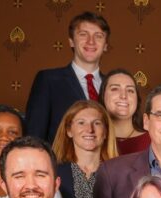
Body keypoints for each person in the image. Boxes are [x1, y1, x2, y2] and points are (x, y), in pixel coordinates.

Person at [25, 12, 110, 142]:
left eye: (98, 36)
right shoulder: (48, 80)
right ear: (71, 41)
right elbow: (34, 135)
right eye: (83, 34)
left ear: (105, 45)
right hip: (59, 162)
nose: (91, 41)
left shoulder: (112, 87)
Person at [52, 100, 117, 198]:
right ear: (69, 130)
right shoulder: (53, 174)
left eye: (97, 123)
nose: (89, 129)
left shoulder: (119, 174)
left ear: (105, 132)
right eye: (81, 122)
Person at [100, 68, 150, 156]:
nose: (123, 96)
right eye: (115, 89)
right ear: (103, 96)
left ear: (137, 99)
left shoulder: (153, 141)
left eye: (130, 90)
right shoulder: (89, 140)